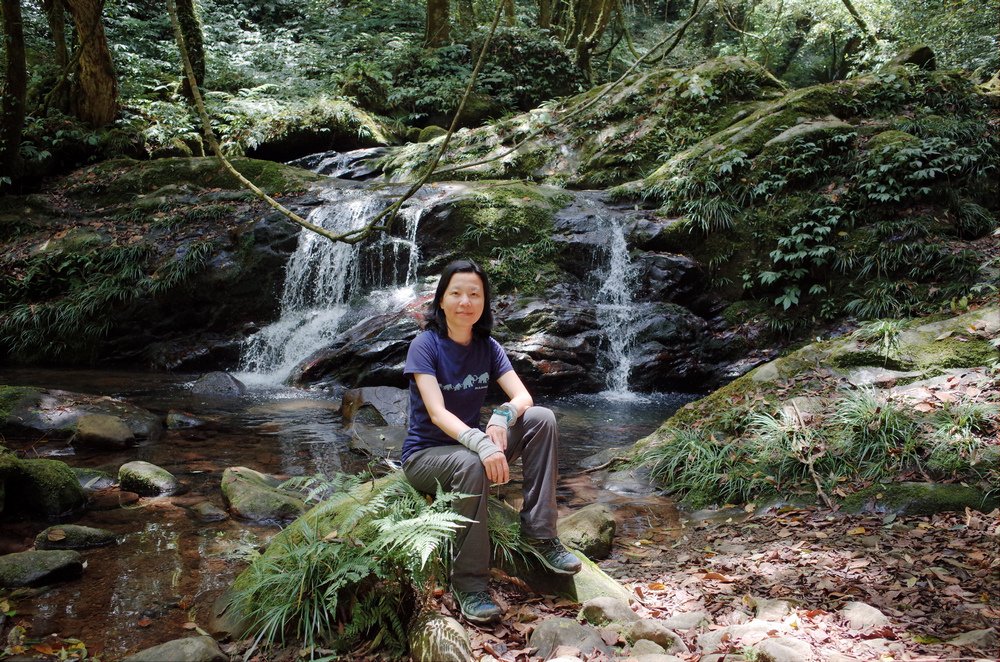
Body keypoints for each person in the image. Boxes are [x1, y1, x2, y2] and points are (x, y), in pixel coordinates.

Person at [401, 258, 582, 625]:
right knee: (470, 461)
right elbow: (436, 413)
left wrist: (501, 417)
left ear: (483, 303)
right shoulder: (425, 345)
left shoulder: (488, 347)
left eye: (474, 294)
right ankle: (469, 583)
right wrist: (480, 442)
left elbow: (523, 397)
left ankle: (540, 534)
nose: (465, 301)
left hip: (468, 446)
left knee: (541, 419)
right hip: (426, 456)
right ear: (441, 300)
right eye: (456, 293)